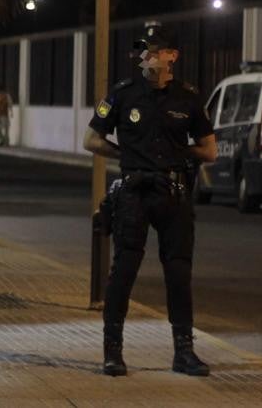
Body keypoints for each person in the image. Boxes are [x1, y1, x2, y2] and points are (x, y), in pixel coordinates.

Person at [83, 24, 217, 378]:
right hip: (134, 192)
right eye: (143, 50)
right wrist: (125, 155)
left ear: (172, 56)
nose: (148, 55)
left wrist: (180, 154)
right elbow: (91, 140)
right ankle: (112, 352)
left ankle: (184, 352)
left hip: (173, 193)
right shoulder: (123, 94)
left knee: (178, 272)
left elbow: (210, 150)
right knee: (123, 271)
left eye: (156, 50)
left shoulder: (188, 98)